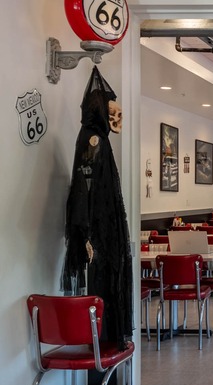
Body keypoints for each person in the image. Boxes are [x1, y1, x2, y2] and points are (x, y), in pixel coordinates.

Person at [63, 66, 132, 351]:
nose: (118, 120)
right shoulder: (93, 140)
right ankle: (104, 341)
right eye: (113, 113)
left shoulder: (96, 140)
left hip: (101, 229)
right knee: (105, 287)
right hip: (99, 233)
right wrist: (88, 233)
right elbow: (85, 188)